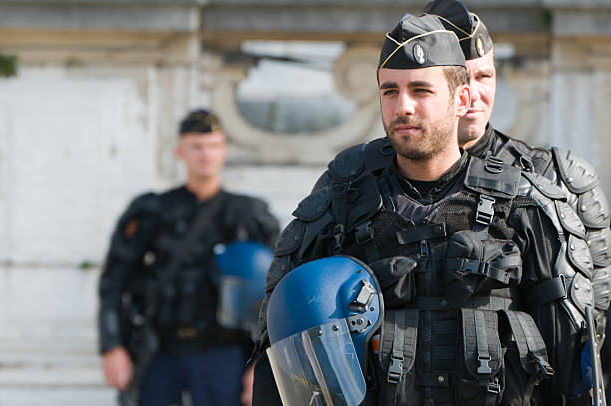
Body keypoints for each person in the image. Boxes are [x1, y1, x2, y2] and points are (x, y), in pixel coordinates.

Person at [252, 11, 600, 406]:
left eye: (421, 90)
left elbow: (576, 368)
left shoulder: (526, 207)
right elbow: (281, 351)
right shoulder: (339, 204)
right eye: (390, 91)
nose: (403, 106)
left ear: (461, 99)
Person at [98, 109, 280, 406]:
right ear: (180, 151)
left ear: (224, 151)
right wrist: (112, 347)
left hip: (222, 353)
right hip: (159, 351)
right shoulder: (152, 211)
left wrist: (262, 364)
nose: (205, 155)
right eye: (196, 146)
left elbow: (277, 290)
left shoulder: (249, 215)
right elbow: (114, 280)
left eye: (213, 146)